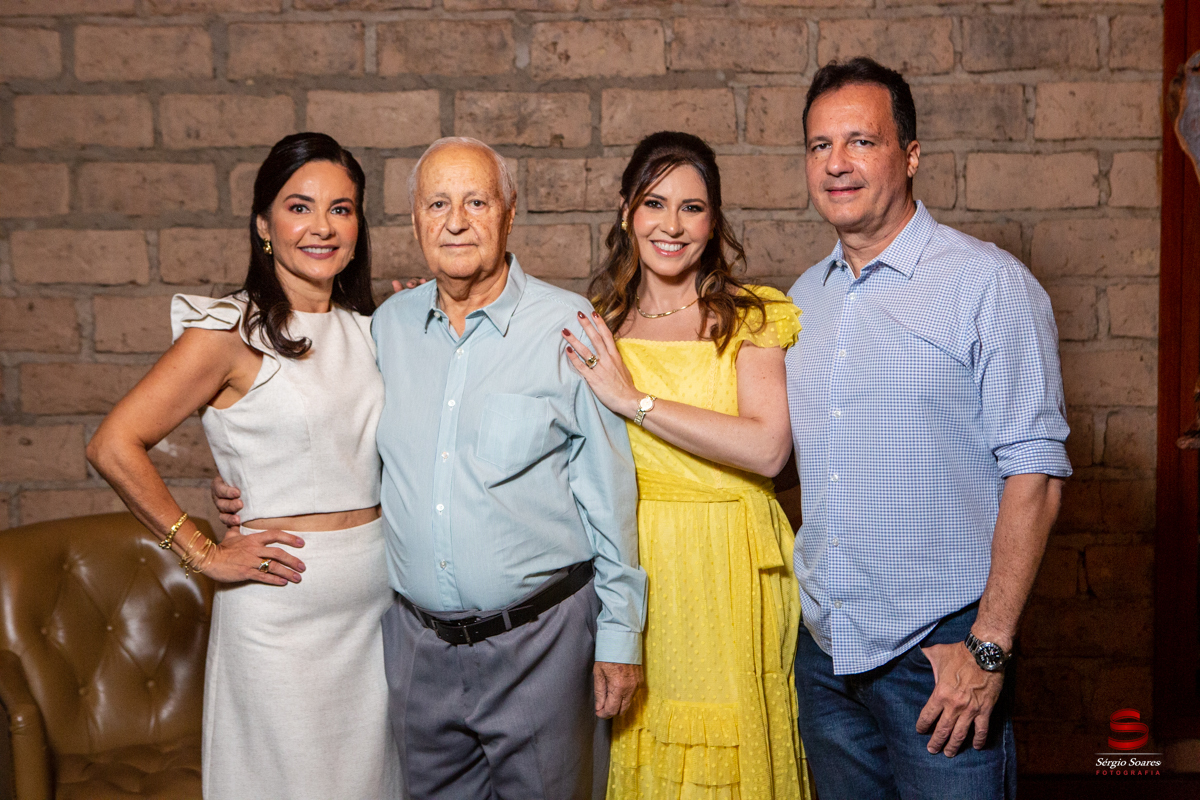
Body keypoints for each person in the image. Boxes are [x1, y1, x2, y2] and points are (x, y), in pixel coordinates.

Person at [786, 57, 1070, 800]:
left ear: (910, 155)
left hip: (940, 659)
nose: (837, 164)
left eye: (861, 141)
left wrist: (989, 649)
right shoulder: (804, 300)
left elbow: (1036, 476)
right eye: (820, 146)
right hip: (826, 659)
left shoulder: (989, 284)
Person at [86, 133, 402, 799]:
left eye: (341, 209)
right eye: (299, 207)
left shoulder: (374, 328)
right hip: (280, 622)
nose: (322, 227)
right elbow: (114, 444)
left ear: (359, 226)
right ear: (263, 224)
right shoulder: (230, 331)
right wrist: (199, 550)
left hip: (378, 616)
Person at [379, 136, 646, 800]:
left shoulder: (568, 326)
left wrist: (621, 635)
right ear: (414, 220)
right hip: (418, 650)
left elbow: (610, 493)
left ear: (509, 211)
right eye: (437, 204)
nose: (456, 221)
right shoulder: (387, 328)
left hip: (541, 645)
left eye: (476, 201)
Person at [562, 131, 812, 800]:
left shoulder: (750, 315)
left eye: (692, 208)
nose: (671, 225)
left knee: (732, 753)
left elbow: (768, 448)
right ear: (626, 212)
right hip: (637, 565)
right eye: (655, 203)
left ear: (714, 220)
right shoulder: (599, 325)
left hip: (732, 561)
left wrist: (633, 400)